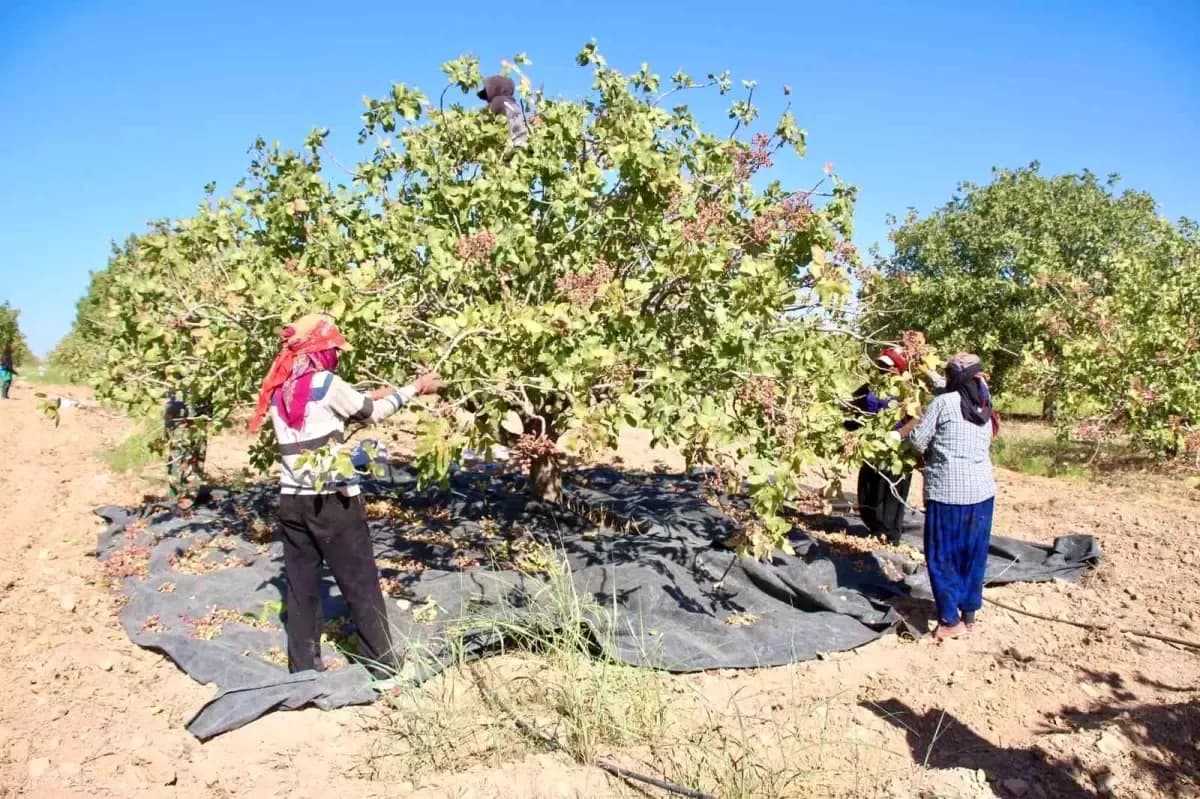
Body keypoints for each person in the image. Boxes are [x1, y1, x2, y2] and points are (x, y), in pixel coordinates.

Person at [248, 313, 441, 674]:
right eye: (333, 348)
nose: (335, 355)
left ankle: (303, 668)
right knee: (359, 583)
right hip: (333, 501)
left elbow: (333, 409)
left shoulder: (279, 388)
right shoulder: (326, 382)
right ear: (321, 349)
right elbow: (372, 413)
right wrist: (416, 388)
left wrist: (374, 394)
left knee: (301, 587)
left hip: (292, 500)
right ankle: (383, 667)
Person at [904, 353, 998, 640]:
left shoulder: (943, 404)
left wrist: (901, 435)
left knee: (942, 556)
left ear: (955, 378)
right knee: (973, 553)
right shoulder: (983, 403)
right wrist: (925, 371)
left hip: (948, 493)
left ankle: (949, 620)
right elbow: (947, 388)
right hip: (982, 493)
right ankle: (968, 614)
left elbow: (918, 442)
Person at [846, 347, 914, 544]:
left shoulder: (906, 390)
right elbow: (853, 405)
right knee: (869, 488)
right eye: (880, 365)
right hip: (872, 447)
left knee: (891, 492)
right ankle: (874, 528)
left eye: (887, 366)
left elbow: (916, 418)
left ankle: (890, 534)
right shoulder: (870, 387)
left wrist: (898, 434)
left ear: (897, 369)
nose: (882, 369)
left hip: (896, 450)